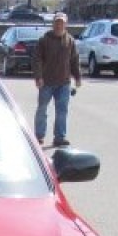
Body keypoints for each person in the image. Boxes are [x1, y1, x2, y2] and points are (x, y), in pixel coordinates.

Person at [32, 12, 82, 147]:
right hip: (46, 82)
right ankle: (38, 136)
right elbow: (37, 60)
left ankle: (59, 137)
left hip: (64, 83)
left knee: (62, 111)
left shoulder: (70, 40)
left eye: (62, 23)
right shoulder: (44, 40)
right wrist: (39, 77)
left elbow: (74, 60)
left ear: (65, 25)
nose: (59, 25)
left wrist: (77, 77)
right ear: (53, 24)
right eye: (57, 22)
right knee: (42, 109)